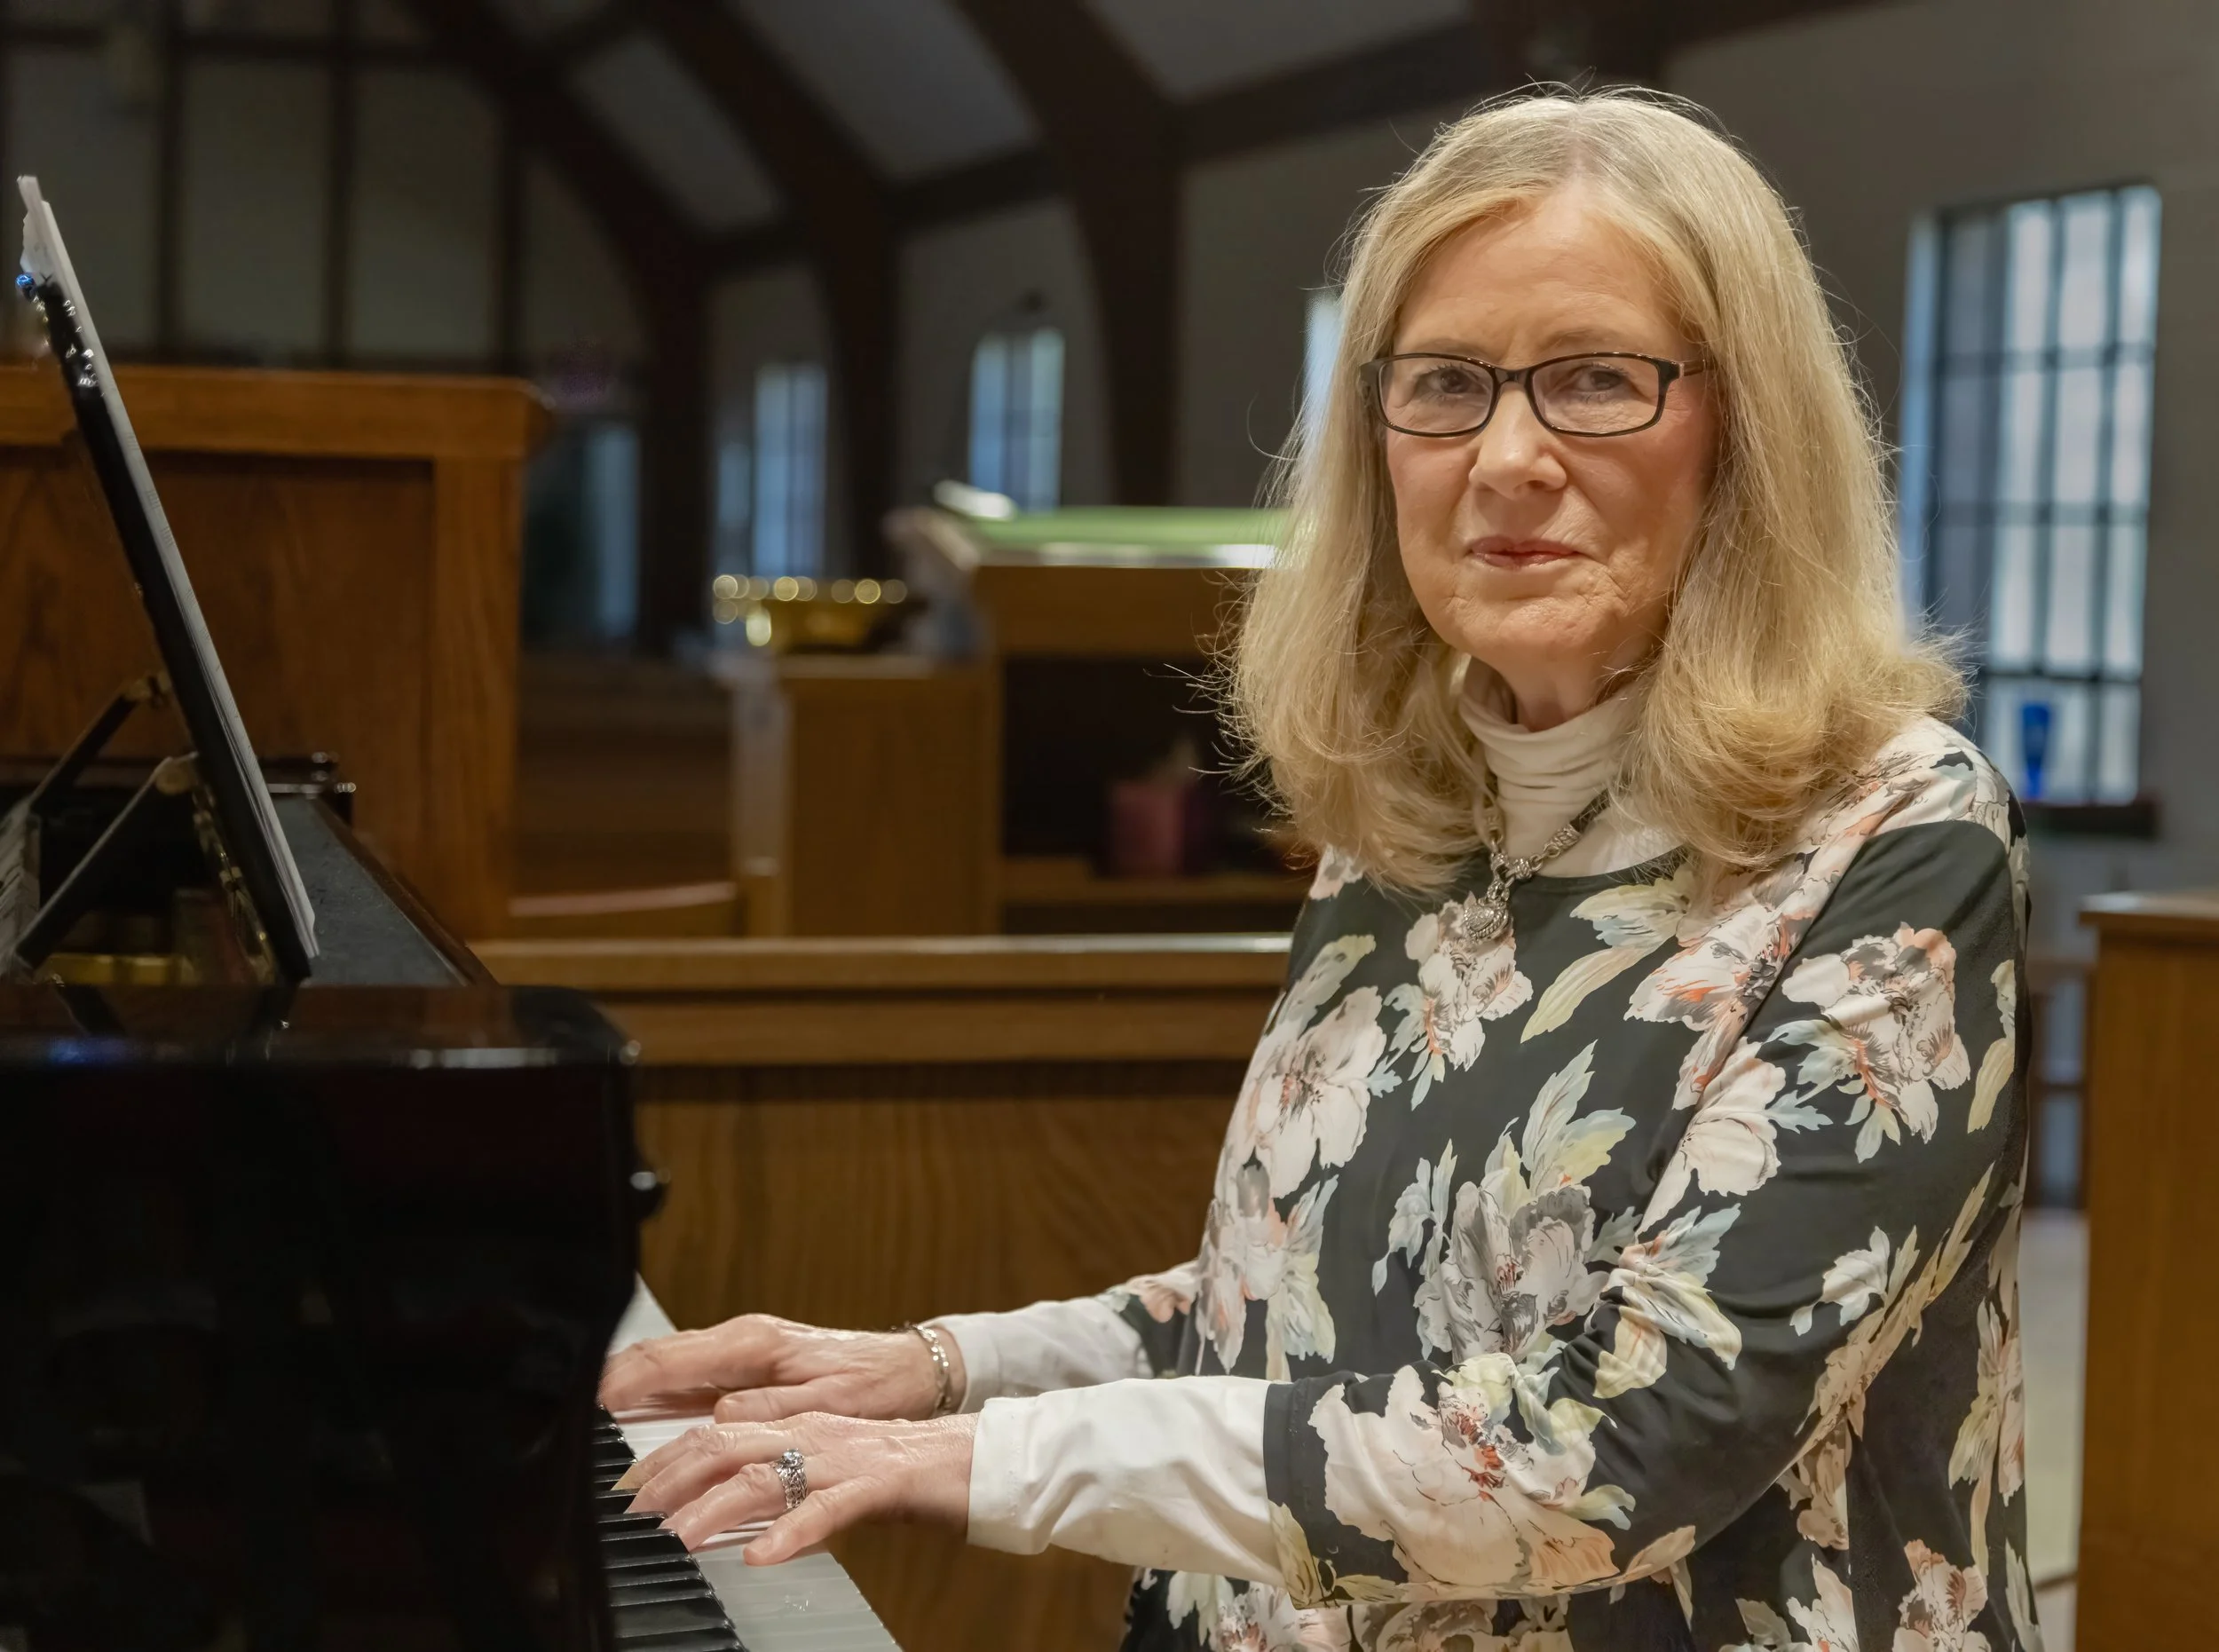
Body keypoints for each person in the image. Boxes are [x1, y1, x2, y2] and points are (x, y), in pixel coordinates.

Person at [602, 87, 2033, 1652]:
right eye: (1444, 386)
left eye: (1598, 381)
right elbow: (1296, 1305)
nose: (1507, 456)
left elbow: (1628, 1442)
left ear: (1743, 429)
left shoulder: (1896, 835)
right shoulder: (1412, 811)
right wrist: (944, 1369)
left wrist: (982, 1453)